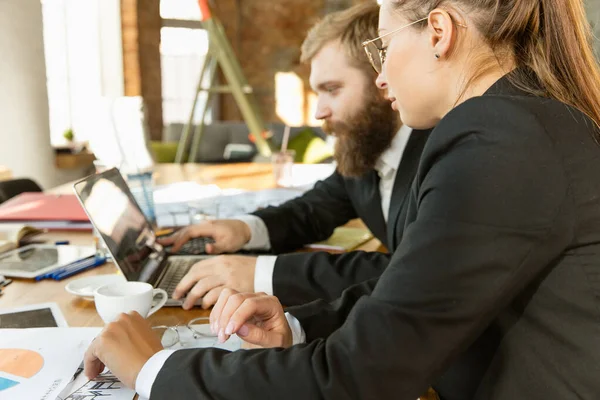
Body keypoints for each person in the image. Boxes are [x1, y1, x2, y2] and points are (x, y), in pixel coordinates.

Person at [85, 0, 600, 398]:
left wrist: (156, 367)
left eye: (382, 47)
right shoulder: (523, 121)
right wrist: (295, 323)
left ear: (439, 33)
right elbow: (421, 291)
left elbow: (358, 379)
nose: (381, 75)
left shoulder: (496, 140)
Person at [160, 2, 430, 310]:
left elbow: (409, 274)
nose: (319, 111)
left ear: (383, 79)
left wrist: (259, 274)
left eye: (332, 89)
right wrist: (243, 229)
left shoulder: (441, 155)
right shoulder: (368, 151)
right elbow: (312, 211)